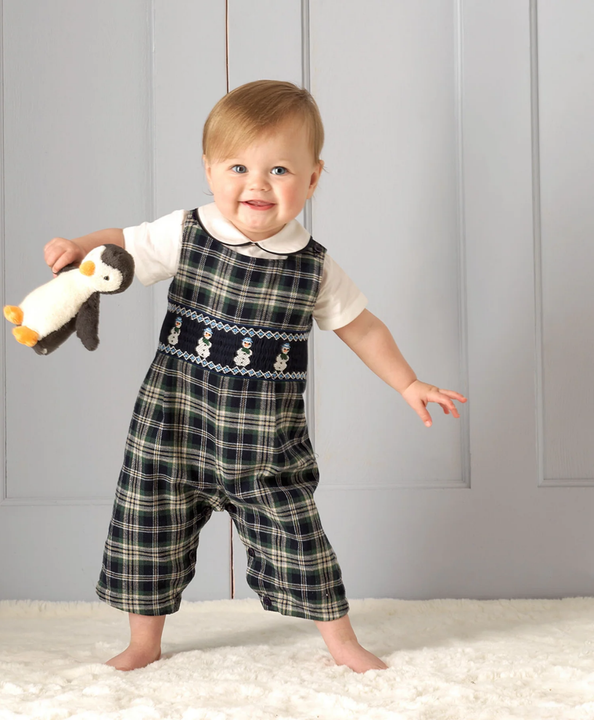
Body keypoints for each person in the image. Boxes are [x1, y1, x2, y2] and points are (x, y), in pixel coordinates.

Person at [44, 80, 467, 673]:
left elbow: (363, 328)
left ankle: (343, 644)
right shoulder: (187, 232)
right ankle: (144, 643)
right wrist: (82, 246)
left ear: (313, 179)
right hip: (173, 424)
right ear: (210, 169)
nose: (256, 184)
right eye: (239, 166)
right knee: (147, 525)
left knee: (299, 536)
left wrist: (408, 383)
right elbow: (124, 246)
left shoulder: (314, 267)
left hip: (264, 440)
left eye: (279, 169)